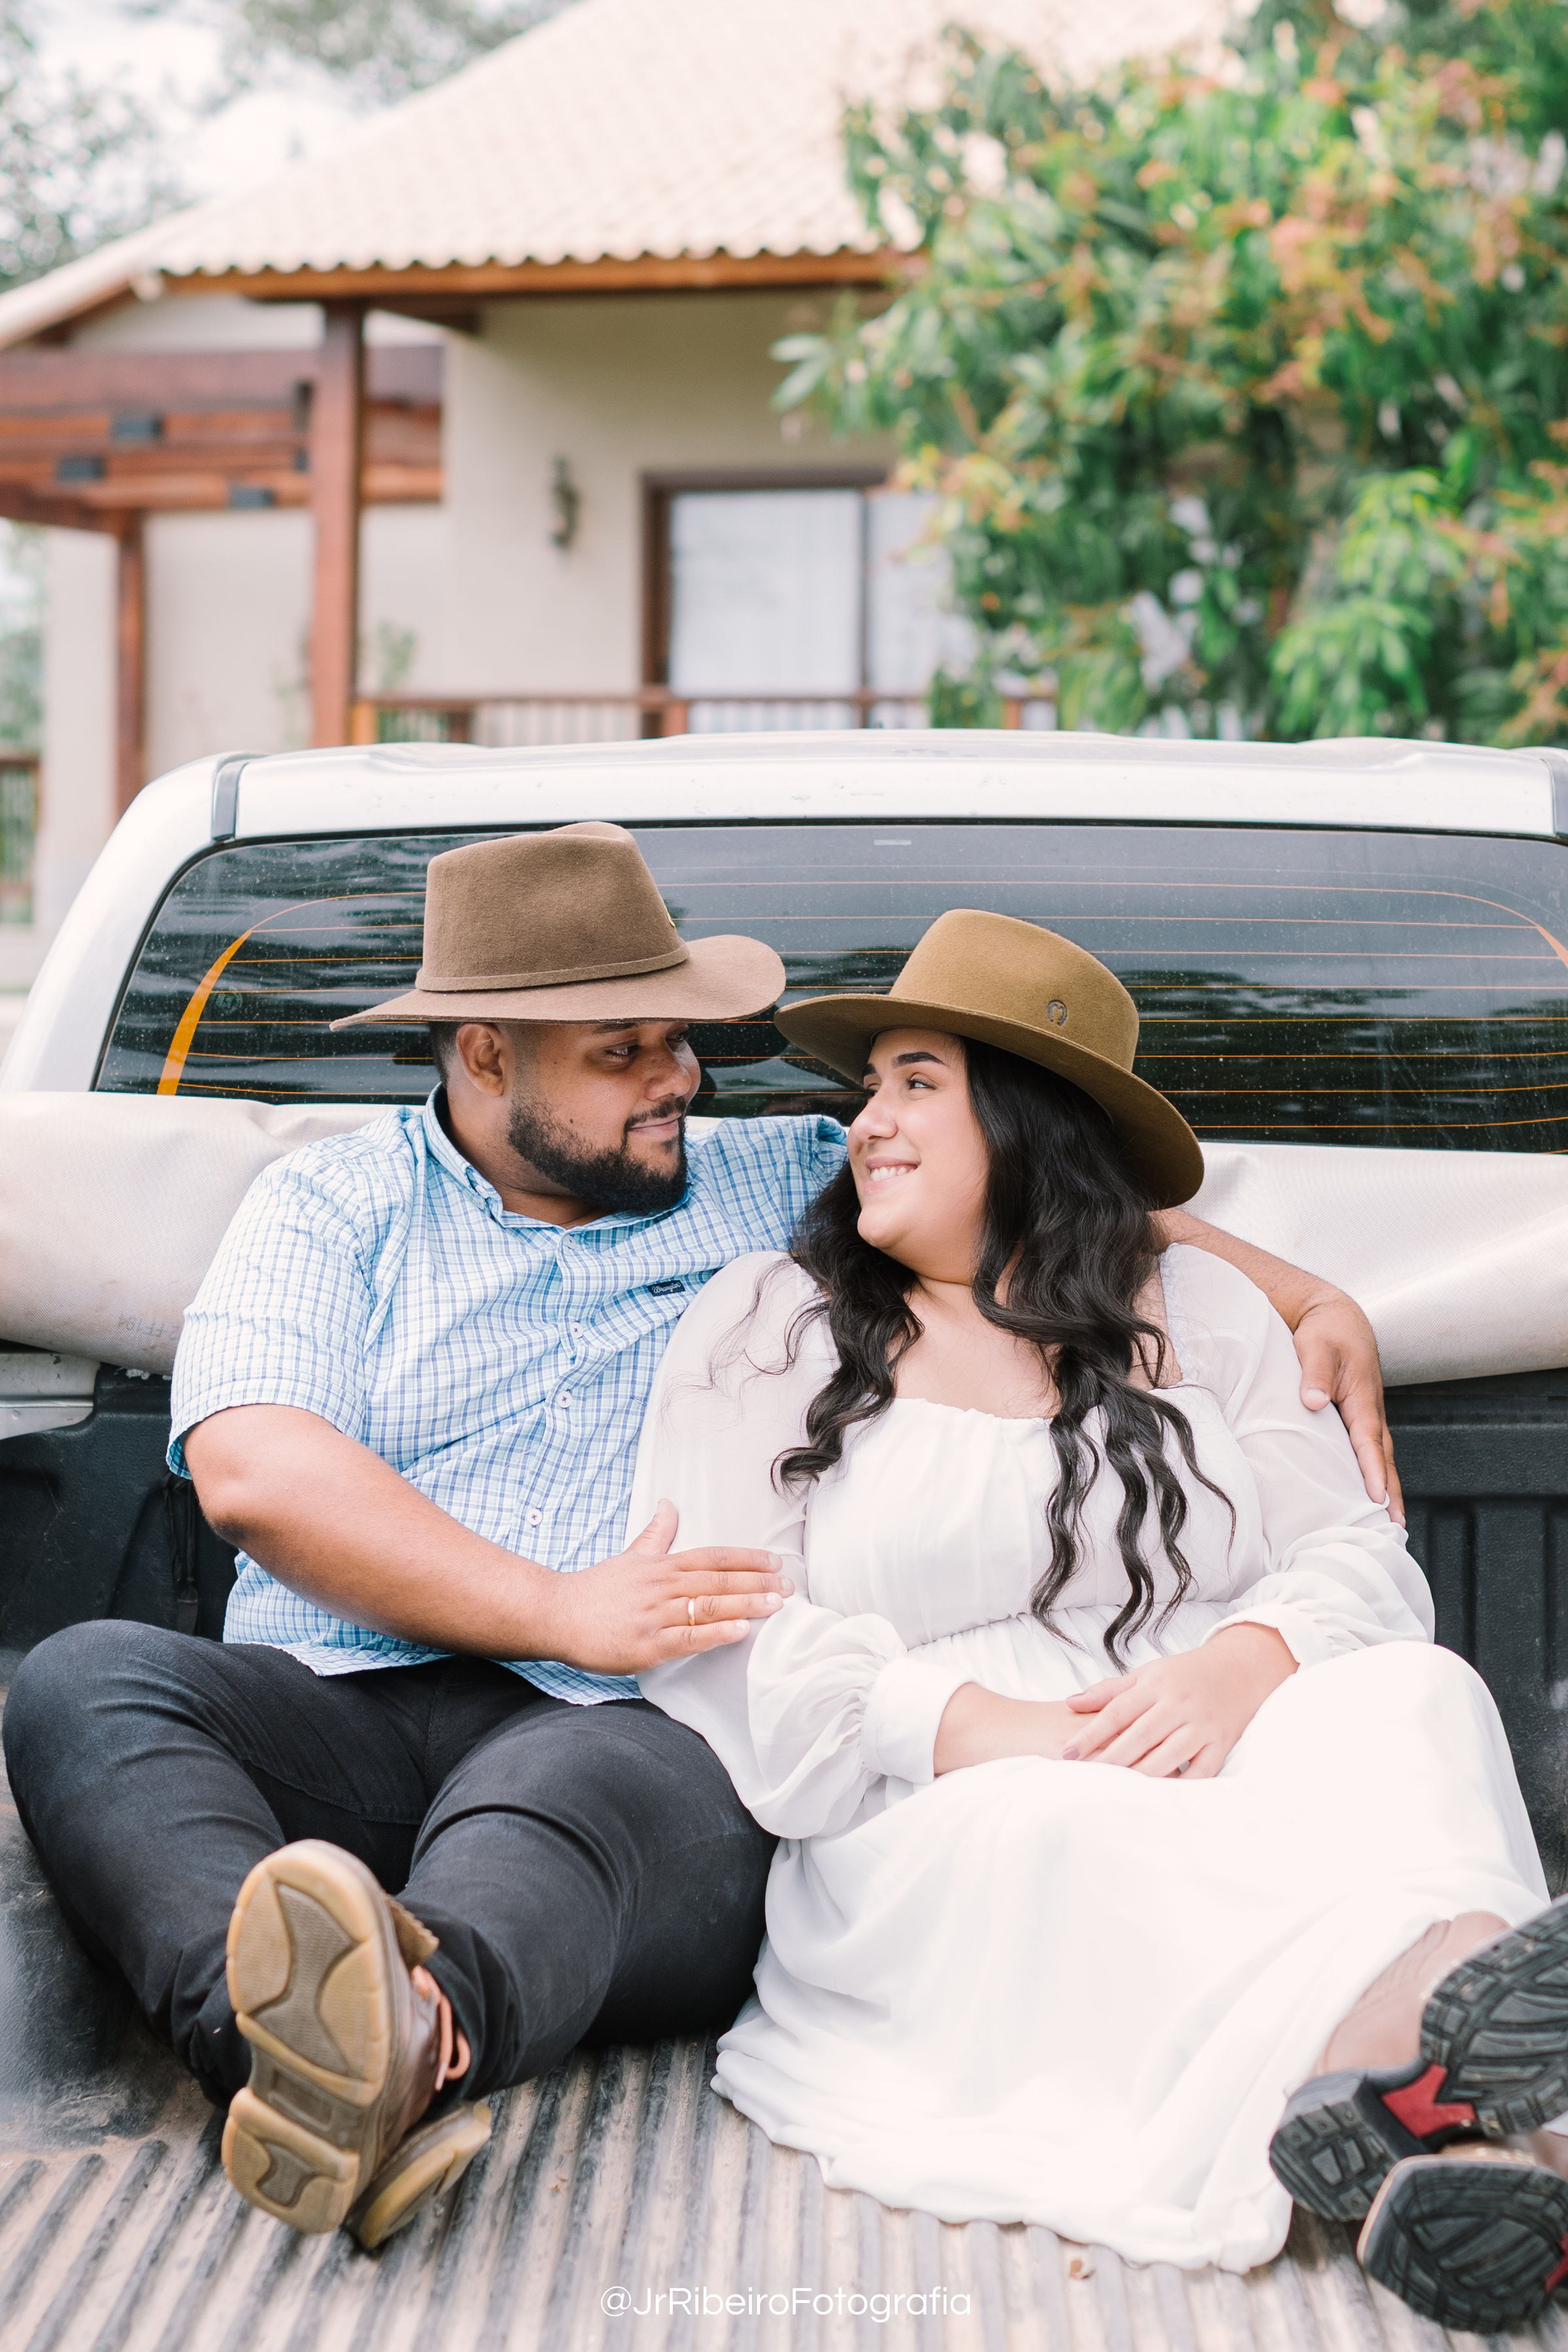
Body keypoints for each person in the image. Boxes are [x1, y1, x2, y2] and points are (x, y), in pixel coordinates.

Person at [3, 827, 1401, 2253]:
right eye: (625, 1052)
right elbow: (256, 1472)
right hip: (342, 1711)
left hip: (625, 1734)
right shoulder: (326, 1205)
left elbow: (1047, 1185)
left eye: (680, 1040)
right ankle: (290, 2055)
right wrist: (555, 1608)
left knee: (565, 1793)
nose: (679, 1078)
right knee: (82, 1682)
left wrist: (1309, 1300)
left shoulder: (767, 1175)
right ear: (485, 1056)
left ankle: (413, 2040)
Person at [629, 906, 1568, 2288]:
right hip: (943, 1793)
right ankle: (1445, 2045)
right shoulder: (773, 1322)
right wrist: (996, 1729)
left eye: (915, 1084)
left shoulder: (1204, 1306)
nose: (865, 1123)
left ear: (1030, 1121)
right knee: (1070, 1815)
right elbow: (723, 1633)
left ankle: (1455, 2146)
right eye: (869, 1088)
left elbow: (1356, 1551)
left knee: (1418, 1693)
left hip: (1217, 1721)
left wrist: (1247, 1661)